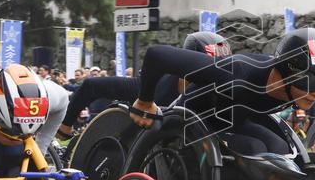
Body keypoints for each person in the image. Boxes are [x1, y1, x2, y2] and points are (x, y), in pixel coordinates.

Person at [128, 28, 315, 156]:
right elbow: (156, 55)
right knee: (254, 147)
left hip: (233, 119)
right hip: (190, 122)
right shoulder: (235, 72)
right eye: (310, 81)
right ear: (286, 72)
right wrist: (145, 101)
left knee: (281, 149)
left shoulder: (294, 89)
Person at [57, 31, 231, 138]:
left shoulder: (221, 92)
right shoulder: (152, 84)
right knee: (93, 85)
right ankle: (64, 127)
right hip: (139, 128)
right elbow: (91, 86)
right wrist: (66, 124)